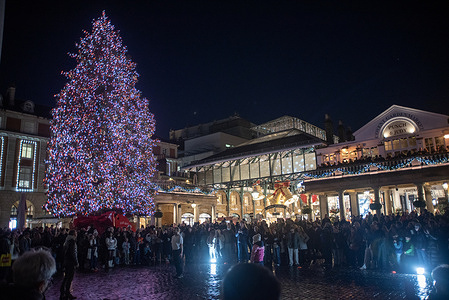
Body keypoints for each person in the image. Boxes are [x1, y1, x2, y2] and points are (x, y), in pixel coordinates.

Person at [60, 230, 78, 300]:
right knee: (69, 278)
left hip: (66, 261)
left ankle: (63, 291)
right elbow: (73, 253)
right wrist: (76, 262)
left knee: (66, 277)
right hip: (70, 262)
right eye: (76, 233)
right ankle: (67, 292)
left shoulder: (67, 241)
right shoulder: (72, 242)